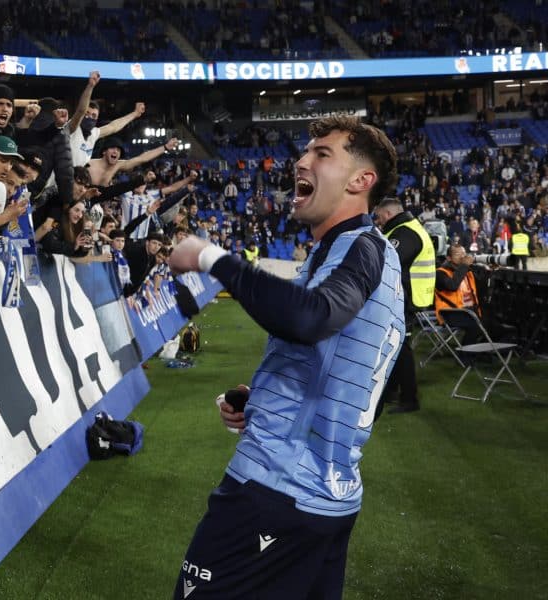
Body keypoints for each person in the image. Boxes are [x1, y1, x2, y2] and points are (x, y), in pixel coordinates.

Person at [168, 115, 403, 600]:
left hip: (276, 492)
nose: (302, 160)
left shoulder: (359, 247)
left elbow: (309, 319)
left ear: (361, 181)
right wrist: (266, 399)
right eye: (306, 150)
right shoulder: (370, 255)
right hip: (329, 499)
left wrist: (211, 257)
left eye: (322, 153)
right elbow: (362, 377)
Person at [372, 197, 436, 414]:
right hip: (407, 297)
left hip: (407, 299)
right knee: (395, 344)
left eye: (379, 217)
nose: (378, 221)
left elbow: (388, 262)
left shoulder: (405, 233)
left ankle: (409, 399)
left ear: (388, 214)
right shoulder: (406, 229)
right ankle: (392, 391)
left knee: (401, 348)